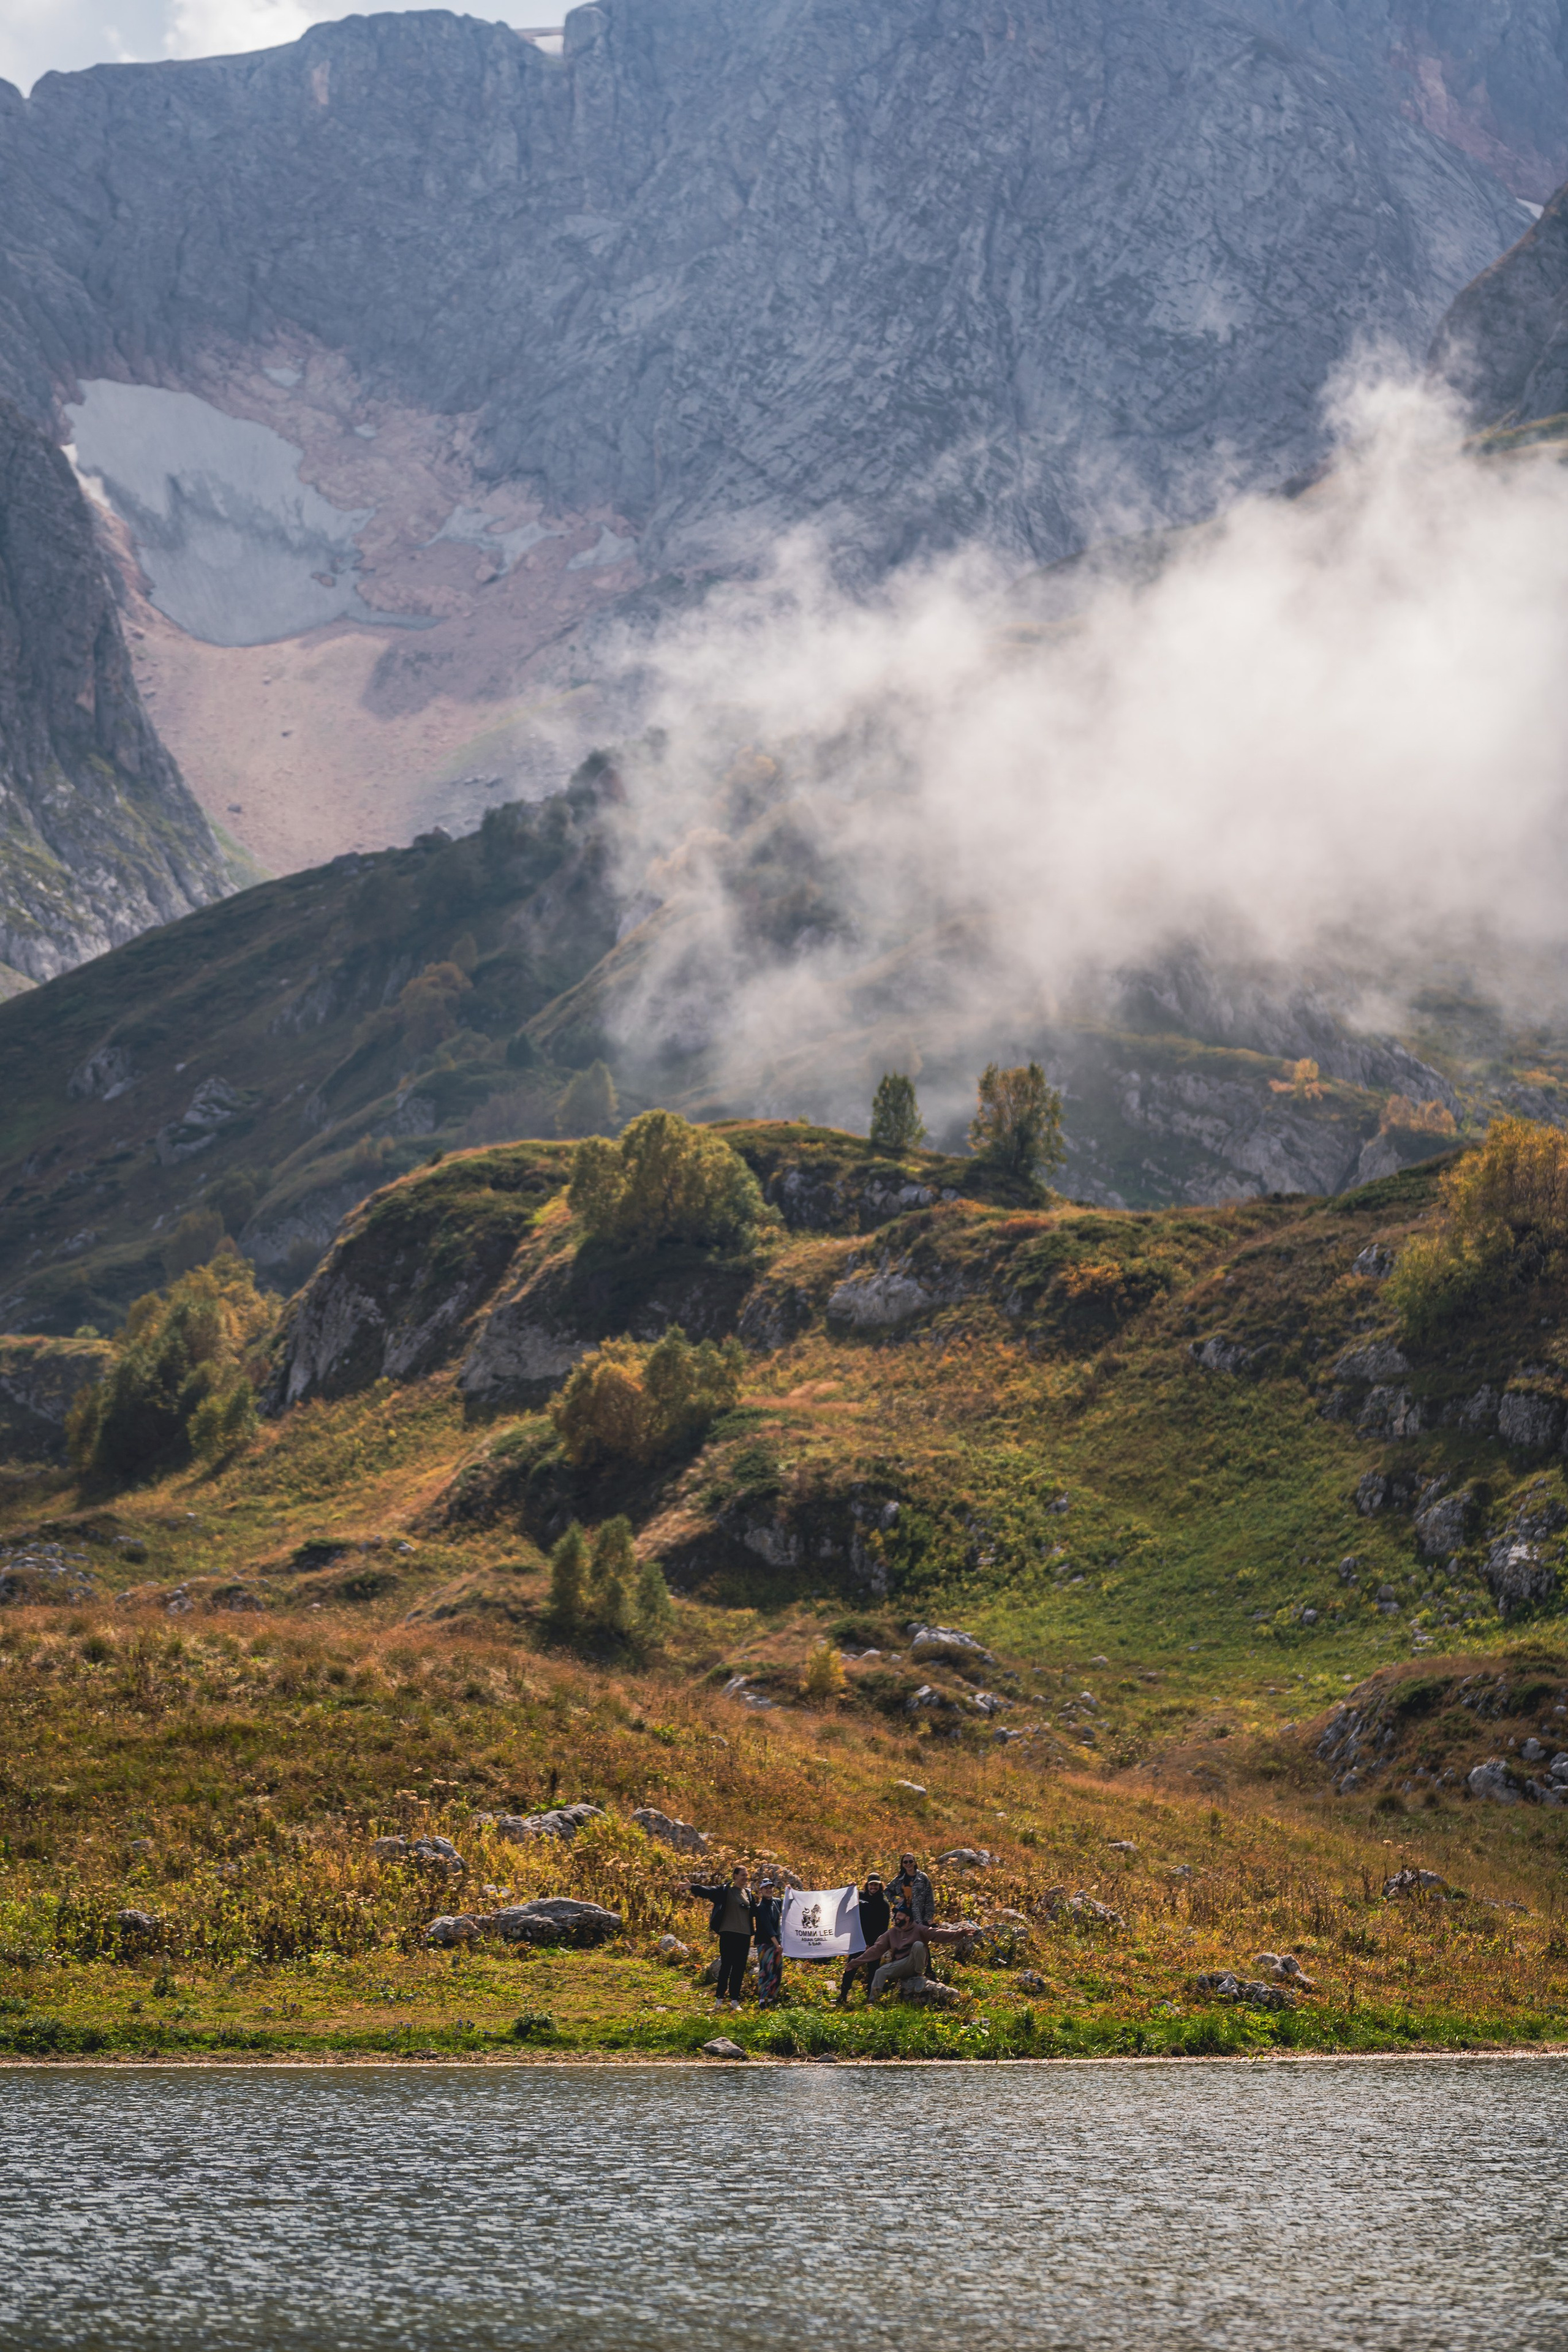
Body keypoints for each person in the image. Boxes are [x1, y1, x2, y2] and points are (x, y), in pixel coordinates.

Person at [689, 1862, 756, 2009]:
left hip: (744, 1935)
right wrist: (692, 1887)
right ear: (735, 1876)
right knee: (726, 1966)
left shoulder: (749, 1894)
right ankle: (719, 1999)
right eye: (743, 1875)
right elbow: (708, 1891)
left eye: (747, 1875)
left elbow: (757, 1912)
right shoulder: (726, 1890)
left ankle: (734, 2001)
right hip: (729, 1933)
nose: (746, 1877)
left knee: (739, 1968)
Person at [835, 1872, 890, 2006]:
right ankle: (843, 1996)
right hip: (857, 1941)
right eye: (871, 1884)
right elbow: (844, 1903)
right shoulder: (859, 1896)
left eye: (876, 1885)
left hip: (873, 1945)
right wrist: (849, 1889)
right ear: (867, 1885)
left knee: (873, 1971)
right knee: (850, 1968)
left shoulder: (884, 1904)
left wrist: (873, 1945)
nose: (873, 1887)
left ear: (880, 1886)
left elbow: (883, 1928)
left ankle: (870, 1999)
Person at [753, 1874, 784, 2008]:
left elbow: (790, 1902)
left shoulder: (777, 1902)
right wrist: (777, 1944)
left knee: (777, 1970)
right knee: (766, 1971)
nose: (769, 1890)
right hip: (765, 1943)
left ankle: (772, 1998)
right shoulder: (761, 1907)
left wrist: (790, 1890)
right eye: (766, 1888)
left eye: (771, 1887)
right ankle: (762, 2000)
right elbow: (768, 1927)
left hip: (777, 1944)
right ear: (761, 1890)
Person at [886, 1851, 934, 1928]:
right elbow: (887, 1890)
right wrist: (895, 1899)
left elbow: (930, 1899)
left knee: (918, 1938)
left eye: (911, 1861)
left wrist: (929, 1917)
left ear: (915, 1863)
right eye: (905, 1862)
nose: (908, 1864)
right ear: (903, 1864)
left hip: (919, 1916)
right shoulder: (899, 1879)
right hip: (903, 1915)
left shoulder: (922, 1878)